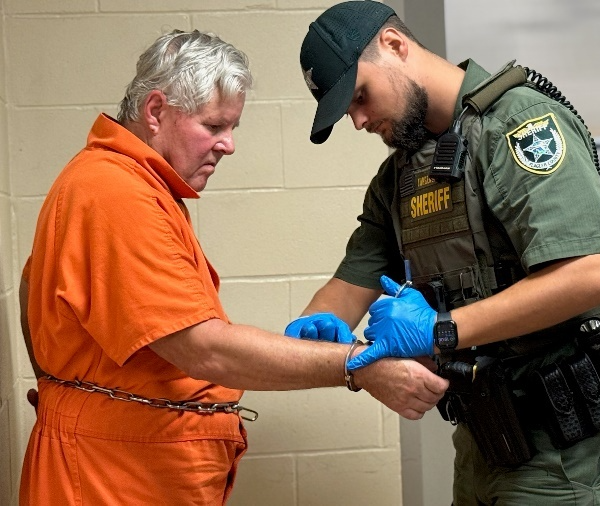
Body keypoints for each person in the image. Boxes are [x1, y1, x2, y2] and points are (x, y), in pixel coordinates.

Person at [18, 28, 449, 506]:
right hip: (110, 478)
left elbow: (31, 285)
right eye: (214, 126)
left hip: (129, 468)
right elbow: (205, 349)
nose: (228, 145)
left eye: (232, 129)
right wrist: (360, 366)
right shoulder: (114, 192)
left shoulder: (126, 184)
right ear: (156, 111)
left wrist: (60, 386)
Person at [287, 1, 600, 504]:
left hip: (561, 445)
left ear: (394, 45)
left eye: (360, 96)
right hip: (485, 437)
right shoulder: (398, 179)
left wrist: (440, 329)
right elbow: (343, 292)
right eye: (348, 111)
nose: (359, 121)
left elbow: (593, 274)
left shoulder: (518, 125)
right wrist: (317, 336)